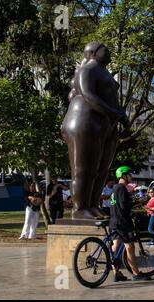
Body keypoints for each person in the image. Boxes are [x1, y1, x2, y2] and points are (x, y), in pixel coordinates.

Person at [62, 41, 129, 220]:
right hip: (85, 122)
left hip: (105, 126)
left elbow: (110, 98)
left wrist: (120, 115)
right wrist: (114, 113)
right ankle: (79, 208)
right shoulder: (88, 70)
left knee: (101, 170)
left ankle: (92, 205)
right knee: (84, 169)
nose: (108, 51)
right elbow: (88, 94)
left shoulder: (103, 71)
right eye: (104, 49)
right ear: (92, 52)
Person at [109, 166, 150, 282]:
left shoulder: (115, 188)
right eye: (129, 174)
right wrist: (137, 202)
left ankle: (116, 273)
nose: (131, 176)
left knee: (115, 247)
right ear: (124, 176)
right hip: (123, 222)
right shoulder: (122, 188)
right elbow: (124, 206)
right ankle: (136, 273)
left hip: (114, 221)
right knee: (130, 247)